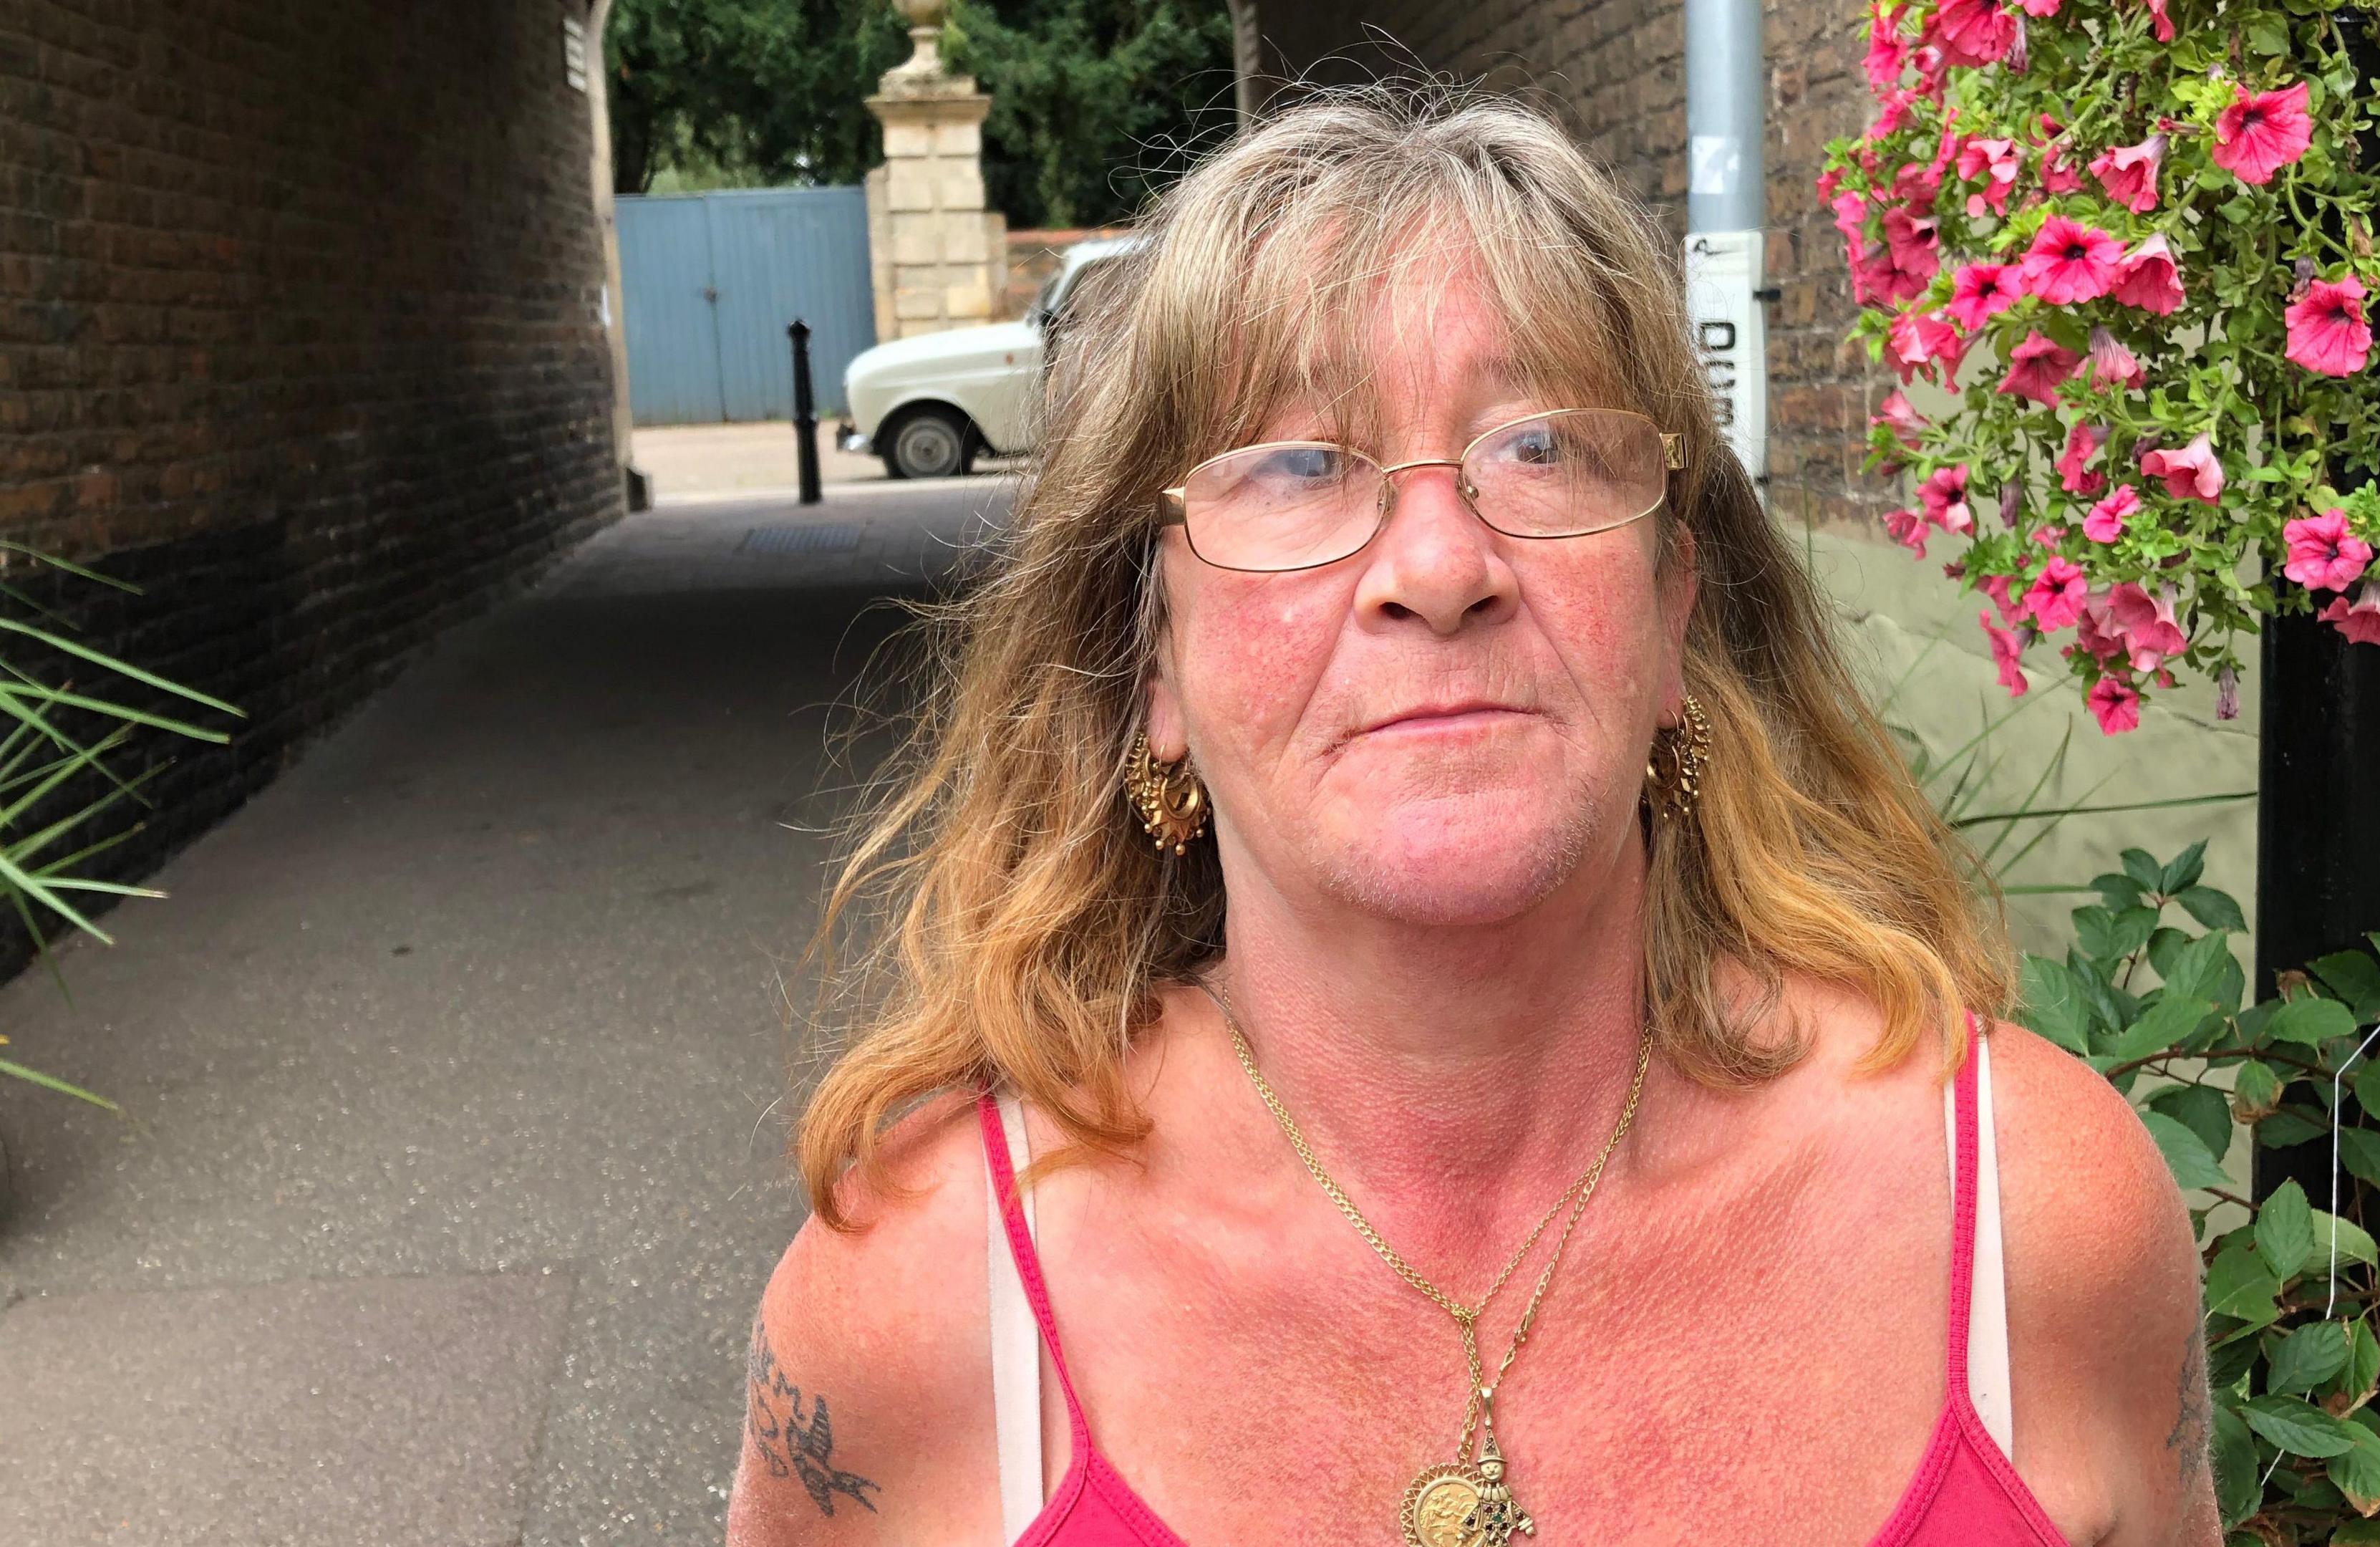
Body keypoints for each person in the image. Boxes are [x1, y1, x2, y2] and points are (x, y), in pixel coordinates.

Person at [730, 87, 2217, 1547]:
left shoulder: (2033, 1216)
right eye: (1299, 464)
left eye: (1540, 448)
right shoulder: (915, 1304)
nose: (1439, 564)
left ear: (1674, 606)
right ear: (1151, 666)